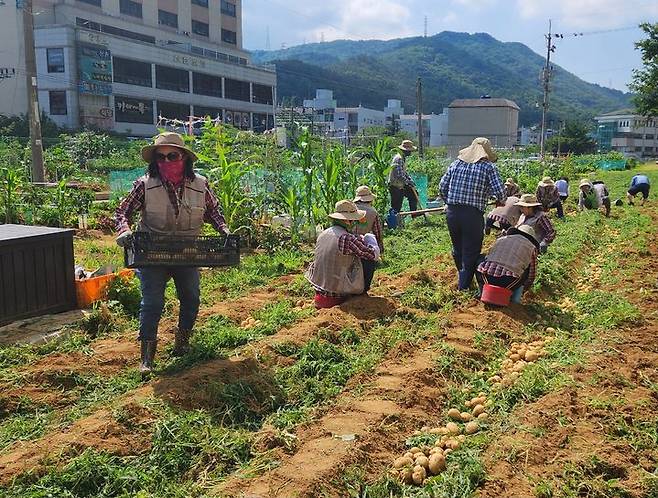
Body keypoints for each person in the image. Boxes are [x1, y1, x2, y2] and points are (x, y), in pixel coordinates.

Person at [115, 132, 229, 377]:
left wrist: (224, 230)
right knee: (153, 302)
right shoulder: (144, 184)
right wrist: (124, 230)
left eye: (172, 156)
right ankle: (147, 357)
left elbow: (213, 212)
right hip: (152, 251)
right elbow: (123, 211)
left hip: (186, 250)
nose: (166, 162)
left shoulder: (201, 184)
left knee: (191, 297)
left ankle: (182, 342)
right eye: (161, 157)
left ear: (184, 158)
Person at [439, 137, 506, 290]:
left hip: (453, 213)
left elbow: (442, 187)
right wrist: (500, 200)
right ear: (486, 153)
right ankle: (464, 286)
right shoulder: (488, 167)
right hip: (472, 215)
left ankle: (463, 278)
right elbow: (501, 193)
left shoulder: (456, 164)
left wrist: (449, 202)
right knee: (471, 250)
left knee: (458, 248)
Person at [306, 200, 379, 308]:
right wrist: (370, 239)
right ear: (347, 221)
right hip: (337, 293)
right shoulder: (346, 238)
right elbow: (373, 254)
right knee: (368, 261)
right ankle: (360, 294)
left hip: (320, 289)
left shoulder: (324, 234)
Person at [476, 225, 539, 304]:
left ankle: (481, 292)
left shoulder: (501, 239)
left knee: (481, 259)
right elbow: (531, 275)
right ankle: (515, 300)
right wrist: (525, 287)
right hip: (508, 281)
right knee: (527, 270)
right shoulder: (532, 248)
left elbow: (489, 255)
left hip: (485, 276)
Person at [353, 185, 384, 293]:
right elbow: (378, 232)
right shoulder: (373, 212)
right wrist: (380, 248)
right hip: (362, 244)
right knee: (368, 263)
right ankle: (364, 288)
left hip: (348, 242)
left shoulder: (350, 208)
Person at [388, 140, 419, 214]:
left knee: (413, 195)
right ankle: (394, 222)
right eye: (409, 151)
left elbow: (404, 173)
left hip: (400, 184)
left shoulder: (402, 158)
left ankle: (414, 213)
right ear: (405, 151)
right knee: (396, 206)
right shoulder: (399, 158)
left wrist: (410, 181)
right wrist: (408, 182)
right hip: (395, 185)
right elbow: (399, 175)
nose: (410, 152)